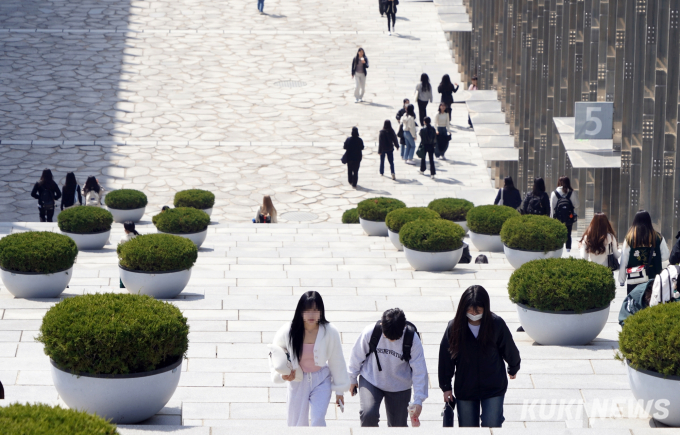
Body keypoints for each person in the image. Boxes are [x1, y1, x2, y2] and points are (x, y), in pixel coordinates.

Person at [438, 285, 520, 428]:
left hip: (493, 386)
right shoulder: (454, 327)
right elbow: (446, 358)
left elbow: (509, 348)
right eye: (469, 310)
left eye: (478, 311)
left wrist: (513, 367)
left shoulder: (496, 324)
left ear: (485, 309)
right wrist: (446, 386)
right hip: (466, 388)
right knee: (468, 428)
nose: (474, 314)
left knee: (492, 424)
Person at [269, 291, 349, 426]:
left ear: (321, 312)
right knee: (296, 423)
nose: (311, 315)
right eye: (307, 311)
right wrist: (282, 375)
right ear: (300, 312)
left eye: (315, 310)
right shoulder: (289, 330)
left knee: (318, 419)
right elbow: (274, 352)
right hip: (298, 380)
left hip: (321, 379)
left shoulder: (330, 331)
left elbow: (337, 360)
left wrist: (339, 391)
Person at [347, 308, 428, 427]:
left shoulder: (412, 339)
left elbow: (419, 370)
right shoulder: (371, 332)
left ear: (403, 328)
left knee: (397, 426)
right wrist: (352, 378)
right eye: (387, 336)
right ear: (382, 324)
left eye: (395, 338)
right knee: (368, 415)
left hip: (400, 385)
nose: (391, 340)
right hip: (372, 379)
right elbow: (356, 355)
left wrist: (418, 400)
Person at [618, 210, 670, 294]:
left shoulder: (629, 238)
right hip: (653, 278)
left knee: (635, 304)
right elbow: (666, 256)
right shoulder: (658, 237)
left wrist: (622, 279)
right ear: (649, 221)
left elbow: (624, 260)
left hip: (634, 279)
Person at [550, 176, 579, 252]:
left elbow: (552, 207)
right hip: (569, 217)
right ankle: (568, 248)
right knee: (568, 233)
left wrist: (552, 219)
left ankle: (558, 248)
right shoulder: (572, 193)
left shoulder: (554, 193)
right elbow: (577, 205)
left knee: (558, 233)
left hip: (558, 218)